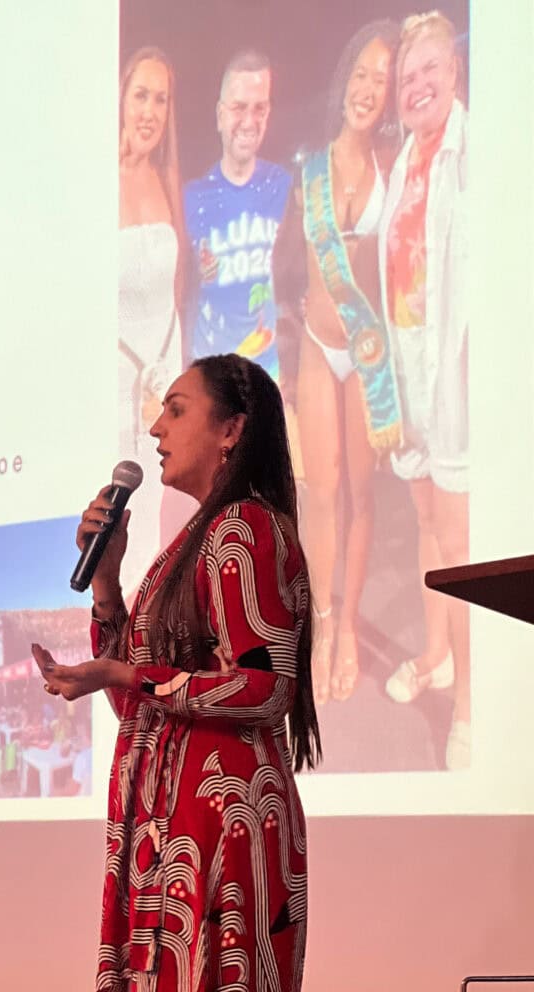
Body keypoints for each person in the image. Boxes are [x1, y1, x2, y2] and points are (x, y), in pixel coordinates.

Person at [33, 353, 320, 992]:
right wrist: (107, 580)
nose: (156, 428)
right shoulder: (190, 541)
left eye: (176, 409)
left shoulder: (244, 528)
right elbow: (137, 704)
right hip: (167, 828)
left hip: (220, 825)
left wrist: (123, 672)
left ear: (232, 431)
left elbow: (265, 688)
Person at [281, 21, 402, 702]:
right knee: (320, 491)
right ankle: (322, 625)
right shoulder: (309, 170)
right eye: (361, 74)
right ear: (345, 80)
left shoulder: (394, 163)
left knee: (361, 492)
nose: (368, 89)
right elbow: (283, 269)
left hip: (369, 350)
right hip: (319, 346)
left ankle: (348, 626)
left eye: (381, 81)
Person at [378, 11, 469, 769]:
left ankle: (469, 701)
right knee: (426, 526)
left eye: (429, 71)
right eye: (407, 78)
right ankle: (438, 654)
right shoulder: (403, 158)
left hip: (458, 376)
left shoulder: (473, 154)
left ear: (456, 74)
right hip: (408, 380)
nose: (417, 85)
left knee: (462, 539)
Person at [118, 46, 195, 594]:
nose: (150, 110)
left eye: (161, 99)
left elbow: (175, 287)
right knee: (115, 508)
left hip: (163, 366)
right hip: (114, 373)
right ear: (120, 98)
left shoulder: (168, 180)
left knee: (155, 505)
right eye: (140, 95)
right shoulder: (93, 183)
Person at [184, 51, 291, 381]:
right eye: (238, 108)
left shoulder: (284, 187)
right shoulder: (190, 197)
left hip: (265, 372)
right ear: (219, 115)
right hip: (210, 374)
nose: (249, 120)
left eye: (259, 108)